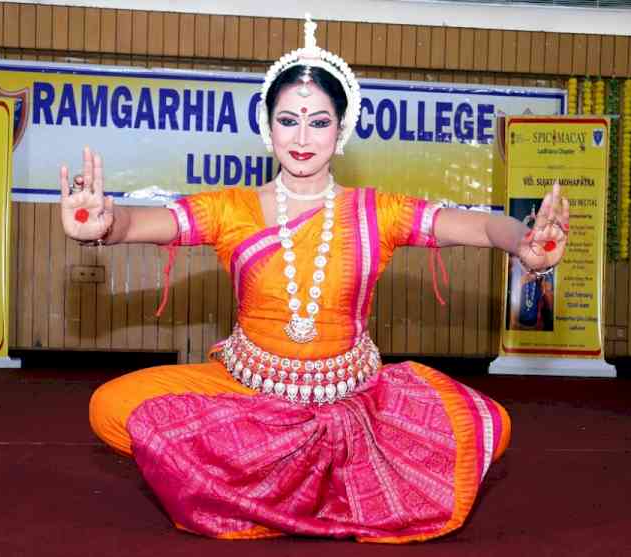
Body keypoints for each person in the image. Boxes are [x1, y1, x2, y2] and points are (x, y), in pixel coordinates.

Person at [60, 15, 569, 543]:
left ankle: (275, 490)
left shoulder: (378, 212)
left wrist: (525, 243)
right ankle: (299, 484)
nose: (303, 138)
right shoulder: (231, 208)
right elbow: (143, 222)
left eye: (319, 122)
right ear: (267, 126)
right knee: (112, 409)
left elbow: (481, 225)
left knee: (489, 426)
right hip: (251, 391)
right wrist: (104, 224)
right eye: (289, 120)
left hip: (353, 397)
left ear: (342, 129)